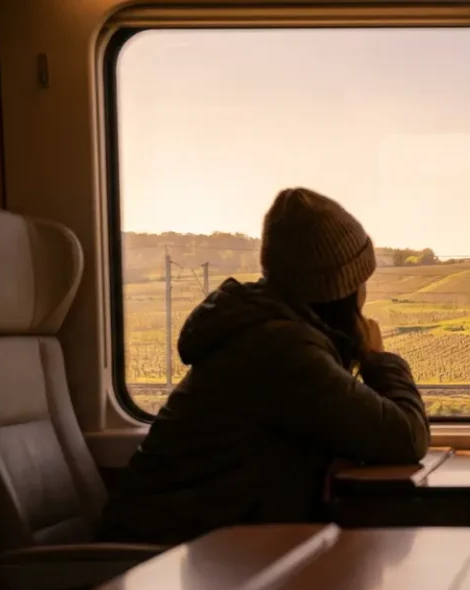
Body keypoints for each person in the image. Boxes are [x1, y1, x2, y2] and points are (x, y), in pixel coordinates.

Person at [98, 188, 429, 545]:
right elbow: (406, 438)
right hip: (167, 559)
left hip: (205, 549)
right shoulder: (281, 350)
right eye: (362, 281)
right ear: (343, 289)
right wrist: (379, 360)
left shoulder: (268, 332)